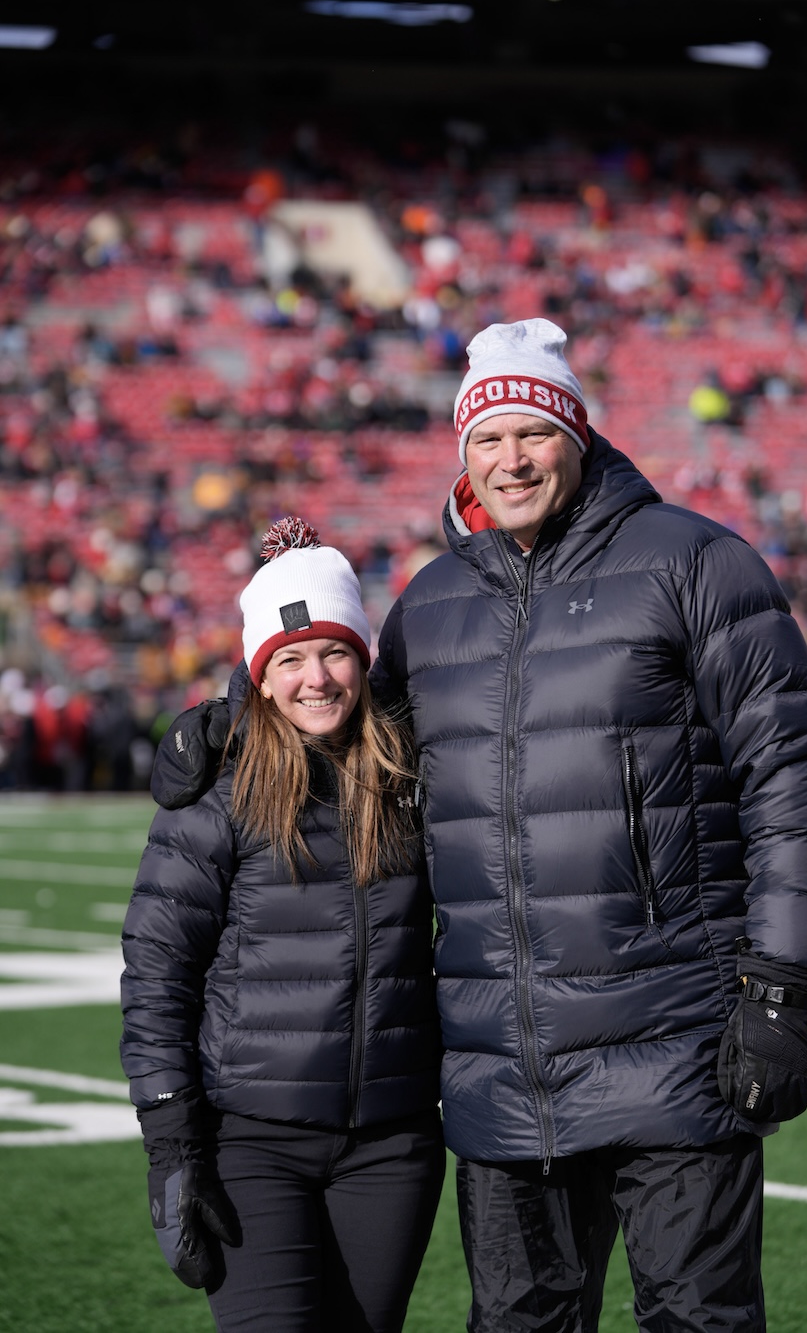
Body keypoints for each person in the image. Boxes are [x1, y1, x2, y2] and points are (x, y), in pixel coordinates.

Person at [152, 320, 807, 1333]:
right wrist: (227, 716)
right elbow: (348, 734)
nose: (510, 458)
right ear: (462, 453)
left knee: (701, 1321)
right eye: (487, 438)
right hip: (503, 1072)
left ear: (576, 432)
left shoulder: (699, 563)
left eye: (532, 431)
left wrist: (782, 988)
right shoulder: (434, 605)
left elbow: (789, 772)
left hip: (675, 1049)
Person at [121, 515, 444, 1333]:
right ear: (259, 676)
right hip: (252, 1142)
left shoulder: (413, 776)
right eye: (289, 659)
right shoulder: (220, 791)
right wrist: (170, 1145)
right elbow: (159, 971)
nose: (317, 678)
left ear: (364, 662)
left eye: (335, 651)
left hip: (392, 1141)